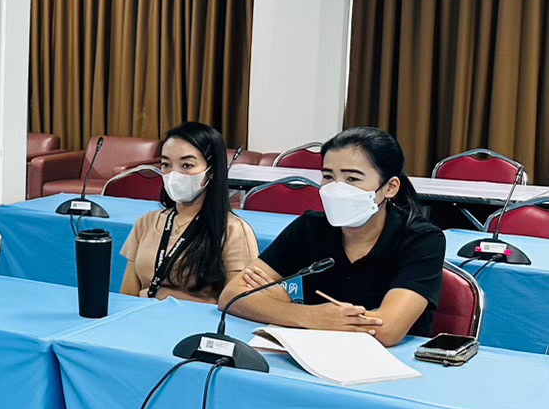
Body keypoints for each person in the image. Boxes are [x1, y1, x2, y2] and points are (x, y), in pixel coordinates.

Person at [219, 126, 444, 346]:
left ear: (390, 187)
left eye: (352, 179)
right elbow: (232, 296)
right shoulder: (310, 227)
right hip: (311, 352)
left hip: (390, 362)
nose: (336, 188)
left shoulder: (422, 239)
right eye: (328, 176)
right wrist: (311, 316)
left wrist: (277, 305)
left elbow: (387, 330)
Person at [119, 121, 259, 302]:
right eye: (166, 164)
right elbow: (128, 295)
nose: (173, 174)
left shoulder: (233, 229)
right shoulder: (146, 222)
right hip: (143, 316)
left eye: (187, 165)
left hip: (196, 320)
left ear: (212, 171)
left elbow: (237, 304)